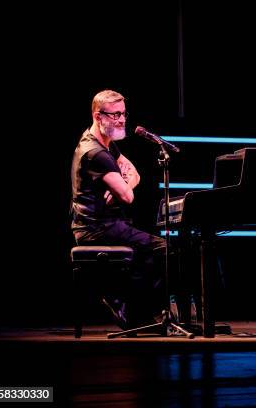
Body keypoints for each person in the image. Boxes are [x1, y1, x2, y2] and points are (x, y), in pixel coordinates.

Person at [70, 89, 166, 330]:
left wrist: (125, 181)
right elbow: (128, 197)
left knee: (155, 247)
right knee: (164, 249)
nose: (122, 120)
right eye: (115, 115)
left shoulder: (104, 143)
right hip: (96, 228)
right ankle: (129, 309)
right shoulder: (96, 153)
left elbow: (135, 174)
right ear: (98, 115)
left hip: (108, 224)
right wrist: (124, 186)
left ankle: (134, 309)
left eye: (123, 114)